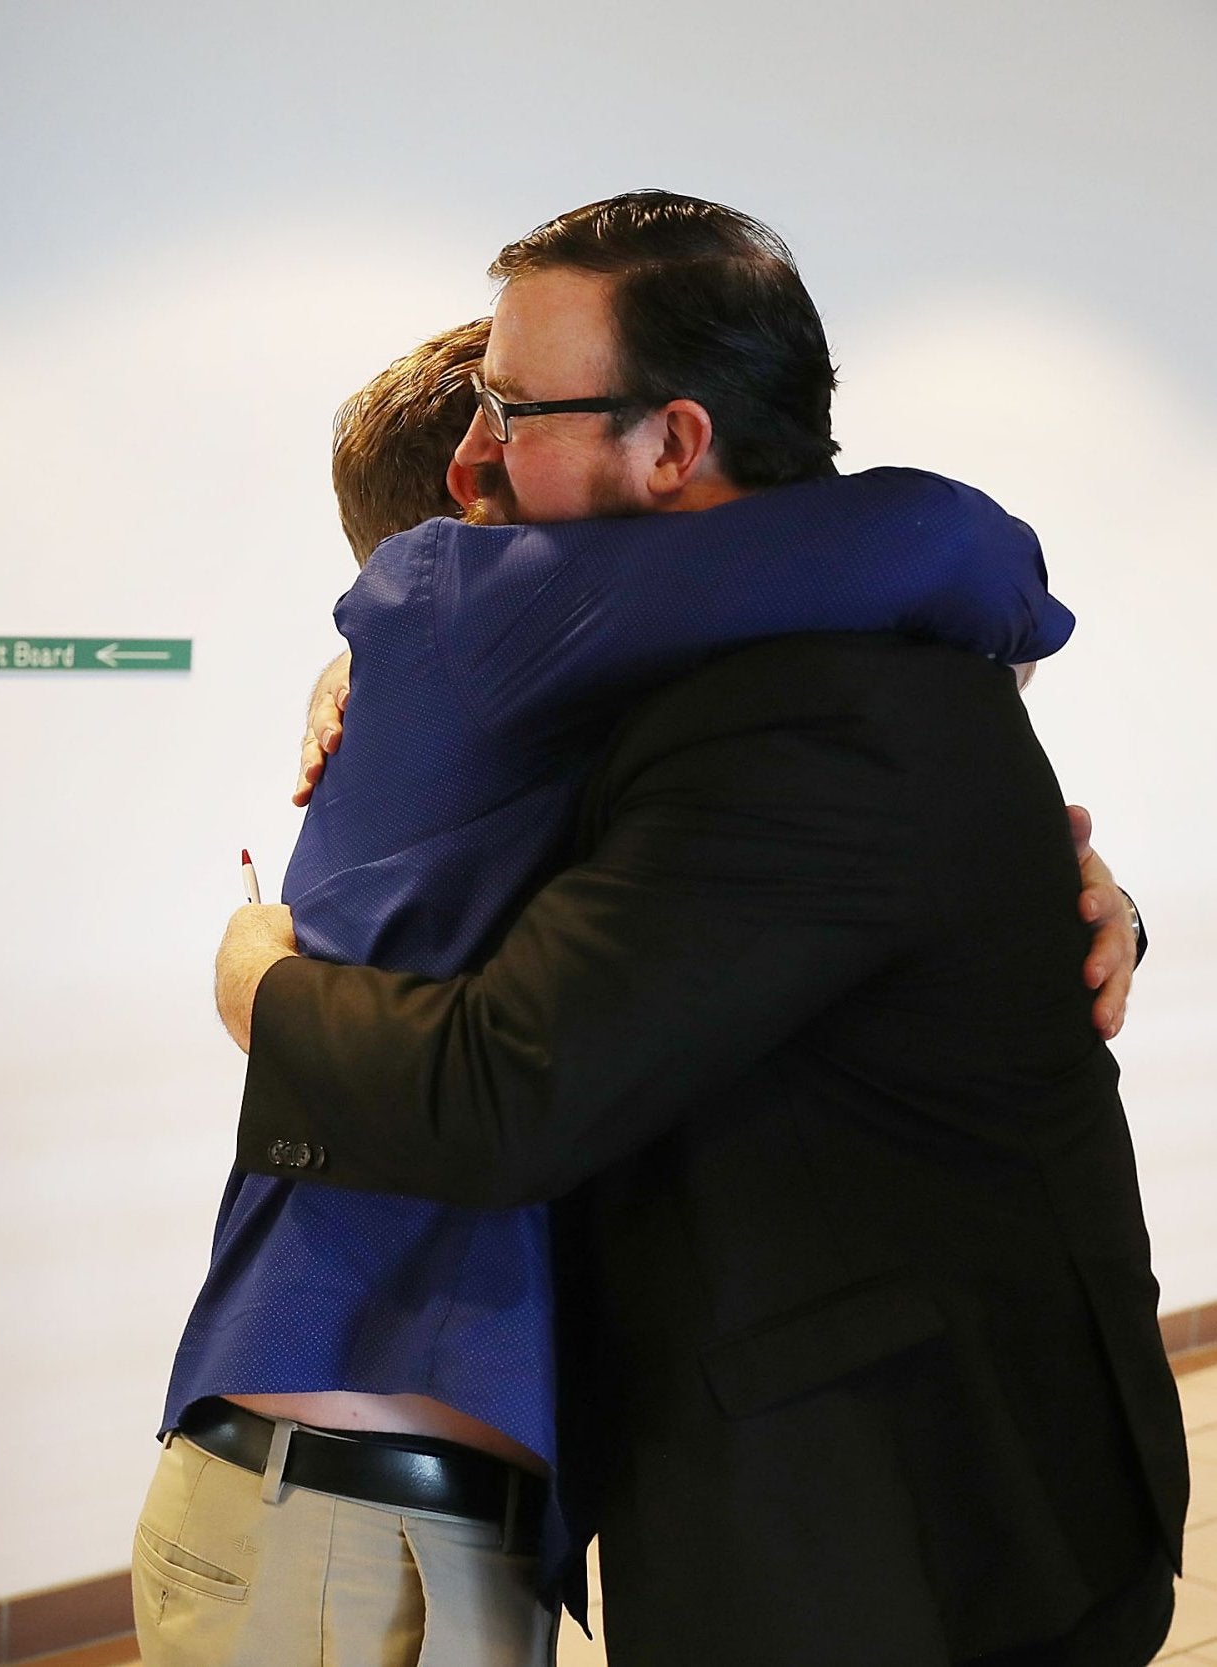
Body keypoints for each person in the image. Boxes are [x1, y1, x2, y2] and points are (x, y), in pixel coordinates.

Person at [211, 192, 1185, 1667]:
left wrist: (255, 979)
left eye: (516, 408)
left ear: (672, 441)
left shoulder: (814, 706)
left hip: (904, 1516)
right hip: (751, 1464)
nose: (490, 450)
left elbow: (509, 1088)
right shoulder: (771, 684)